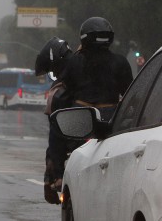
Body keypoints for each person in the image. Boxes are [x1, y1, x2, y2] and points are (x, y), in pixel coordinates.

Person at [48, 17, 134, 196]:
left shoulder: (73, 62)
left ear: (84, 38)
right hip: (112, 121)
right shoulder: (120, 62)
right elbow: (130, 94)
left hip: (80, 120)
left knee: (56, 123)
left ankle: (57, 176)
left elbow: (65, 90)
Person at [34, 37, 74, 205]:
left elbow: (55, 140)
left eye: (53, 70)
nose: (55, 74)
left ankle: (56, 177)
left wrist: (51, 178)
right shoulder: (115, 64)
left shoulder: (58, 94)